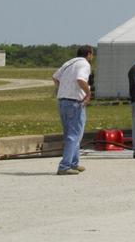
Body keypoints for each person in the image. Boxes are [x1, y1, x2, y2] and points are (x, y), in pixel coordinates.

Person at [51, 45, 93, 176]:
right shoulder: (84, 64)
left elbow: (55, 77)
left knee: (71, 134)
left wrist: (63, 88)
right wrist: (88, 93)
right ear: (89, 54)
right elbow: (80, 79)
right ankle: (64, 166)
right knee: (74, 135)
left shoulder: (69, 62)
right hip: (75, 102)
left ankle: (74, 163)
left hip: (63, 101)